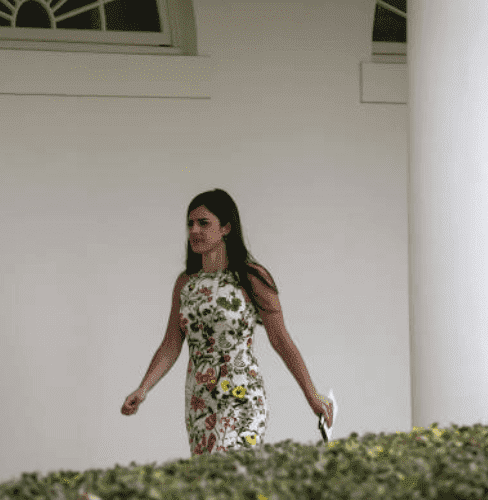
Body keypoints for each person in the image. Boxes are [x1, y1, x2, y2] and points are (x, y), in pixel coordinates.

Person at [121, 189, 333, 457]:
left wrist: (312, 396)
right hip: (200, 402)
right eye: (190, 224)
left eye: (204, 223)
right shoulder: (185, 284)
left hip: (241, 395)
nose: (194, 230)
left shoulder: (252, 277)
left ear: (226, 228)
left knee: (229, 465)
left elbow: (280, 340)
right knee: (213, 484)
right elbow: (171, 344)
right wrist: (144, 388)